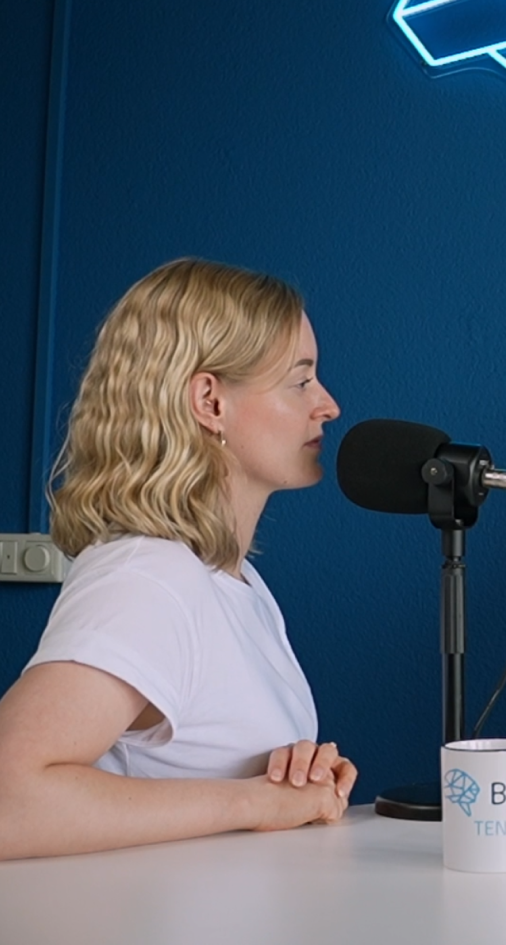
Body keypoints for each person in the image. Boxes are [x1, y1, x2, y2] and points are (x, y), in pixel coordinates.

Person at [0, 259, 356, 860]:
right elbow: (9, 797)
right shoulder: (148, 578)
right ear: (210, 401)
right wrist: (254, 804)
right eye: (300, 382)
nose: (328, 405)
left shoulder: (231, 583)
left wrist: (295, 783)